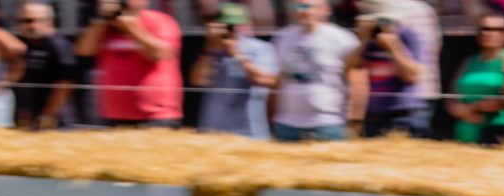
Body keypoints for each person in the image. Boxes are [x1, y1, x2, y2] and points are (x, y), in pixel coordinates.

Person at [75, 0, 183, 128]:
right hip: (115, 115)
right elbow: (84, 51)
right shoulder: (105, 27)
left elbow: (158, 54)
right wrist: (101, 20)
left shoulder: (160, 21)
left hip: (157, 116)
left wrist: (130, 28)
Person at [272, 0, 360, 141]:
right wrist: (273, 118)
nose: (302, 11)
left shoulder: (343, 38)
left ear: (325, 10)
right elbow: (278, 80)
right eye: (296, 6)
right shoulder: (282, 37)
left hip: (328, 124)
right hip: (287, 124)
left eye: (307, 6)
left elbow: (356, 80)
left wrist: (354, 120)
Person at [189, 3, 277, 139]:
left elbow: (264, 80)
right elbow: (197, 80)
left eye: (235, 26)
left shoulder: (261, 48)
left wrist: (237, 55)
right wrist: (210, 49)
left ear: (245, 25)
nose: (231, 31)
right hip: (212, 131)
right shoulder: (212, 49)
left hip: (248, 132)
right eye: (226, 26)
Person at [347, 1, 425, 137]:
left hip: (402, 113)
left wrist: (393, 47)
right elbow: (351, 66)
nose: (380, 26)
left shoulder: (407, 35)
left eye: (384, 21)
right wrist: (364, 40)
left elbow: (412, 76)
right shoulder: (370, 39)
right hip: (373, 113)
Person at [446, 12, 504, 146]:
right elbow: (451, 97)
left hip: (499, 134)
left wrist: (474, 108)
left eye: (497, 29)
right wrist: (468, 111)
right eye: (484, 29)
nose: (489, 33)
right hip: (464, 135)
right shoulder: (469, 61)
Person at [12, 2, 77, 130]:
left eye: (33, 21)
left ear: (49, 21)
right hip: (30, 117)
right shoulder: (25, 43)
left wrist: (49, 115)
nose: (29, 26)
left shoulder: (59, 45)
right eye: (23, 21)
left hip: (57, 119)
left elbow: (65, 83)